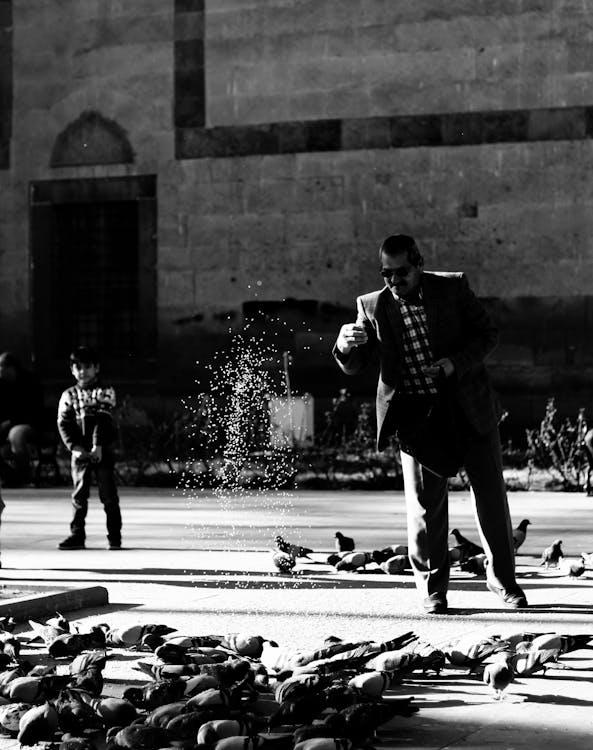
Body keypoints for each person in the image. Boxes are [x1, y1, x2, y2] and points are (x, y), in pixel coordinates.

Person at [333, 233, 527, 614]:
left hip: (467, 407)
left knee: (490, 498)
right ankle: (433, 590)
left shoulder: (452, 288)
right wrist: (343, 344)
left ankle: (504, 581)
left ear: (419, 263)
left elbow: (488, 335)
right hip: (416, 417)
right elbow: (355, 364)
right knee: (425, 507)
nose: (393, 280)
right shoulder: (371, 306)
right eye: (385, 273)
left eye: (401, 272)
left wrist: (455, 363)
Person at [57, 346, 122, 550]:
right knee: (79, 495)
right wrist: (74, 447)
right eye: (78, 367)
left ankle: (114, 535)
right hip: (80, 452)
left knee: (108, 495)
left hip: (102, 451)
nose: (83, 371)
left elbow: (103, 420)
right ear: (72, 370)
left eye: (87, 367)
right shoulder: (68, 395)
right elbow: (64, 423)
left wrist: (98, 446)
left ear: (96, 368)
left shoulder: (104, 391)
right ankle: (77, 535)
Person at [0, 352, 44, 486]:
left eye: (1, 366)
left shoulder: (30, 381)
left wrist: (10, 422)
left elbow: (33, 409)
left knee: (16, 435)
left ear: (10, 368)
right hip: (7, 423)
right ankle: (11, 476)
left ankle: (24, 475)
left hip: (28, 423)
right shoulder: (2, 384)